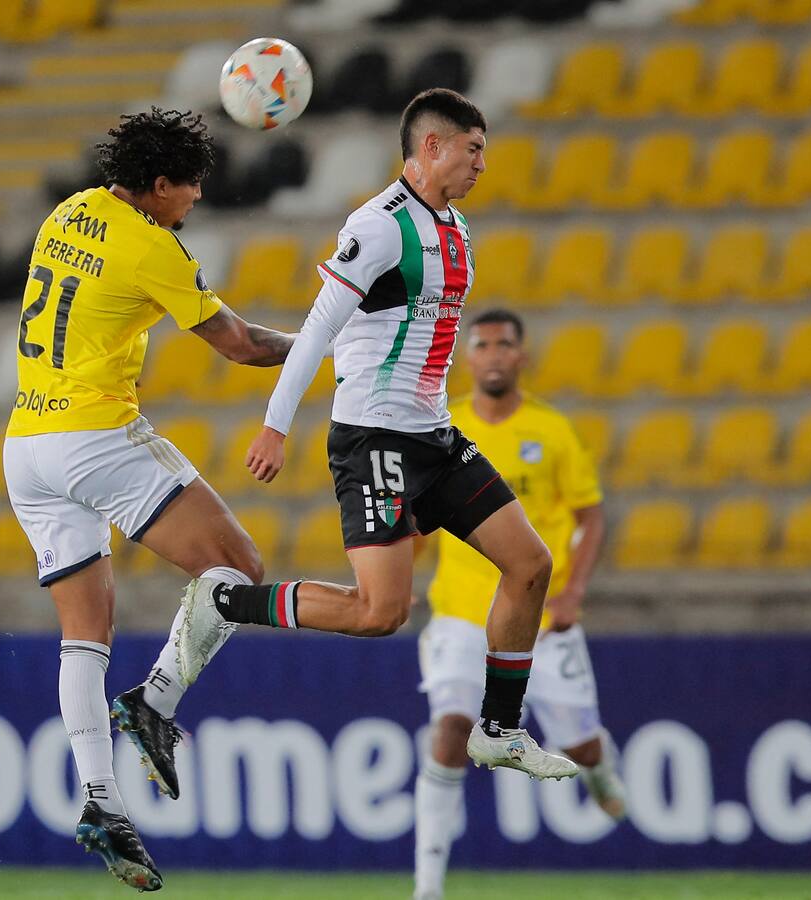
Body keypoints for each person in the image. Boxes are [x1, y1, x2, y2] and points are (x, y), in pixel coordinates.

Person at [174, 88, 578, 782]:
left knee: (531, 564)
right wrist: (275, 425)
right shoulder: (380, 226)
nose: (483, 163)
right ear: (432, 147)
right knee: (379, 613)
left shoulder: (458, 227)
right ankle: (223, 602)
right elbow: (317, 330)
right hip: (376, 440)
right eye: (474, 148)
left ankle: (500, 730)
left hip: (435, 437)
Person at [3, 108, 297, 892]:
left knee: (85, 635)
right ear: (160, 184)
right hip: (93, 436)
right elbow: (240, 345)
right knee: (238, 566)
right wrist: (326, 343)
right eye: (191, 186)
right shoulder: (151, 245)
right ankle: (156, 701)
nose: (196, 199)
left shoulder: (71, 210)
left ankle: (101, 799)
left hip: (25, 445)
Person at [412, 308, 626, 900]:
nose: (494, 354)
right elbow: (415, 515)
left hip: (539, 619)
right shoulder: (443, 426)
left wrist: (574, 592)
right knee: (450, 729)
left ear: (522, 356)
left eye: (505, 344)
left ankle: (599, 766)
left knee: (579, 746)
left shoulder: (551, 431)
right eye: (482, 345)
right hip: (460, 615)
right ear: (467, 357)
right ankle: (427, 887)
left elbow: (590, 516)